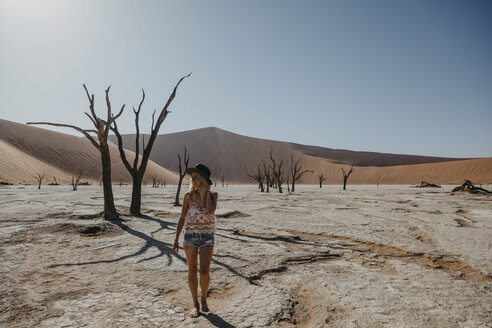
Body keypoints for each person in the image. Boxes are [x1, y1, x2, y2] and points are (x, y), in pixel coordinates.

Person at [173, 163, 218, 318]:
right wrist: (176, 239)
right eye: (192, 177)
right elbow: (182, 218)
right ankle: (195, 304)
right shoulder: (187, 196)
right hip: (190, 236)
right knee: (192, 271)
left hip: (207, 236)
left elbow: (210, 209)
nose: (193, 180)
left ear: (204, 180)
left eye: (197, 177)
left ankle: (204, 299)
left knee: (204, 272)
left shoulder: (213, 196)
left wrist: (206, 192)